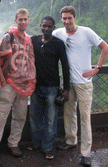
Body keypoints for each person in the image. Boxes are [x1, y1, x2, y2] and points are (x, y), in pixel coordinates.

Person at [53, 6, 108, 166]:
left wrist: (97, 68)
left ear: (75, 18)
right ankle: (71, 141)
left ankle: (86, 153)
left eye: (69, 18)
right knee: (69, 113)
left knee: (85, 117)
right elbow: (42, 37)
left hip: (84, 83)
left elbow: (106, 48)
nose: (66, 21)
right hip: (68, 83)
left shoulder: (86, 32)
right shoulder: (58, 33)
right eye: (64, 18)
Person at [0, 8, 36, 166]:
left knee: (20, 117)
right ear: (16, 20)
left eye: (25, 19)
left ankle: (13, 144)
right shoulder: (9, 36)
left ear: (29, 20)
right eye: (20, 19)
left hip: (24, 85)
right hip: (9, 84)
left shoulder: (29, 39)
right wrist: (2, 79)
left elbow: (30, 61)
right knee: (1, 117)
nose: (22, 22)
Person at [28, 16, 70, 159]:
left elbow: (65, 66)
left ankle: (47, 147)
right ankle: (36, 143)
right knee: (35, 116)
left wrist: (66, 88)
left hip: (52, 87)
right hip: (35, 86)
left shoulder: (58, 44)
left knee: (51, 119)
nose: (46, 28)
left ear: (53, 28)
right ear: (40, 25)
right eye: (44, 26)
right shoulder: (34, 40)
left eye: (49, 26)